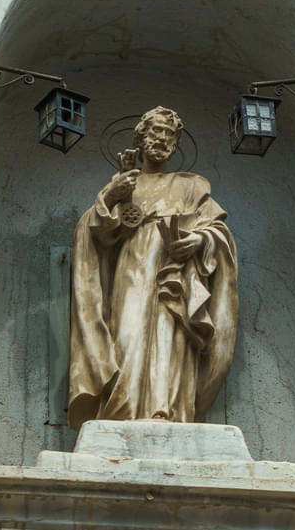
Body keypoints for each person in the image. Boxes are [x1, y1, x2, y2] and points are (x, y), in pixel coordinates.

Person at [68, 106, 238, 428]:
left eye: (169, 134)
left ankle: (167, 410)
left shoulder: (190, 186)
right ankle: (121, 412)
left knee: (169, 338)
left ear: (175, 143)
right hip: (131, 272)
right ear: (141, 137)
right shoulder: (124, 183)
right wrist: (113, 195)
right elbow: (98, 235)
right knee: (126, 338)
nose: (161, 138)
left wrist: (200, 241)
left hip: (175, 273)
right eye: (155, 131)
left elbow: (217, 229)